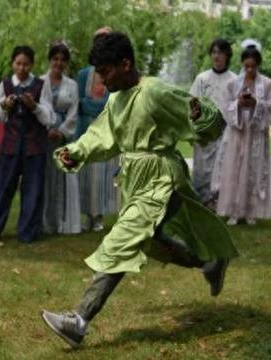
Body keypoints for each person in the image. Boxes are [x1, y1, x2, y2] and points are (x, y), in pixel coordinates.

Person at [40, 32, 238, 348]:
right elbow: (102, 135)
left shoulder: (155, 92)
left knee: (123, 239)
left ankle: (78, 320)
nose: (101, 81)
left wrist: (202, 116)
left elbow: (206, 118)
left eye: (105, 72)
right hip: (135, 181)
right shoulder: (117, 99)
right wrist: (76, 150)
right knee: (150, 243)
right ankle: (210, 263)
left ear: (125, 63)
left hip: (162, 179)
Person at [0, 46, 54, 243]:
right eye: (18, 63)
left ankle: (27, 232)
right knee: (3, 189)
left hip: (34, 145)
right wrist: (4, 105)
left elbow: (49, 118)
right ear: (13, 63)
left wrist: (34, 107)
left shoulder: (41, 84)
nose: (22, 68)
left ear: (32, 65)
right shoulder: (5, 84)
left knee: (33, 190)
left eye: (26, 64)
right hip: (11, 144)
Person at [212, 41, 271, 226]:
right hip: (238, 131)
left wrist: (257, 103)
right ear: (242, 64)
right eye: (246, 66)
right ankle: (233, 211)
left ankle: (251, 211)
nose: (249, 70)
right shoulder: (233, 84)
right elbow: (225, 106)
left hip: (256, 133)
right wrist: (238, 105)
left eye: (253, 66)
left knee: (253, 169)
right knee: (234, 168)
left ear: (258, 65)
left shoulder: (268, 84)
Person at [76, 27, 119, 232]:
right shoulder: (83, 75)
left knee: (103, 176)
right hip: (86, 132)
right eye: (98, 41)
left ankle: (100, 215)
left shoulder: (115, 74)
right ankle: (88, 216)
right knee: (85, 175)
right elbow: (77, 105)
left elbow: (111, 106)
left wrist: (89, 105)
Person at [40, 41, 81, 235]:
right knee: (46, 177)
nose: (59, 63)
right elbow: (38, 109)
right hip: (44, 135)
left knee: (64, 176)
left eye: (63, 60)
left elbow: (74, 112)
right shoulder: (40, 82)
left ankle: (65, 222)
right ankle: (45, 222)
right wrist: (48, 128)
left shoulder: (72, 85)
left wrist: (62, 130)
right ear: (50, 60)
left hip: (63, 137)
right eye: (55, 59)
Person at [190, 39, 236, 208]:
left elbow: (236, 108)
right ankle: (201, 202)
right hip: (204, 133)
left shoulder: (234, 80)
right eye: (214, 52)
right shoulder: (202, 78)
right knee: (202, 169)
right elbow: (192, 101)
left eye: (221, 52)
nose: (217, 56)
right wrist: (196, 116)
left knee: (223, 167)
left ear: (227, 56)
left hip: (225, 132)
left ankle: (219, 202)